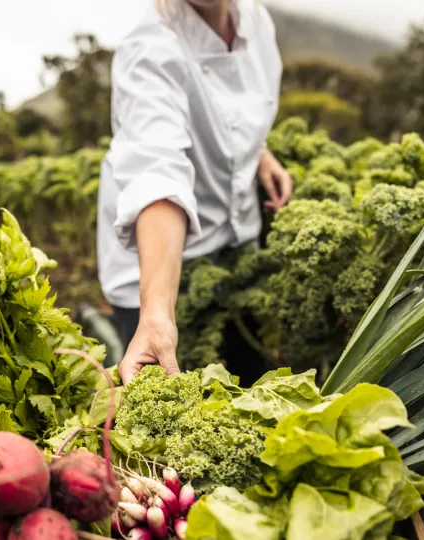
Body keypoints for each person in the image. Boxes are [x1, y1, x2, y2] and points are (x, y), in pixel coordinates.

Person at [97, 0, 293, 385]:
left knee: (248, 372)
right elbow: (158, 172)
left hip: (233, 240)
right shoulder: (150, 48)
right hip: (157, 261)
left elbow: (235, 109)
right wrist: (155, 314)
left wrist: (259, 153)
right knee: (170, 408)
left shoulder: (255, 21)